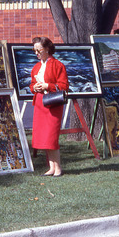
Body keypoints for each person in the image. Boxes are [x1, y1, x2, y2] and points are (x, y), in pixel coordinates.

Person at [30, 36, 69, 177]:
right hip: (40, 104)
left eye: (38, 50)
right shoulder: (36, 67)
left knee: (52, 137)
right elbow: (31, 85)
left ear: (47, 49)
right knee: (45, 137)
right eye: (34, 50)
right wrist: (35, 87)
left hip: (53, 104)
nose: (36, 53)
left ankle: (58, 168)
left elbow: (64, 86)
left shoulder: (58, 65)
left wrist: (48, 86)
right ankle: (51, 167)